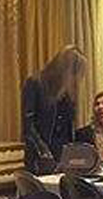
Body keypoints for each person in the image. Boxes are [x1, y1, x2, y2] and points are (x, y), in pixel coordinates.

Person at [21, 45, 86, 173]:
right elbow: (28, 125)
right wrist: (43, 150)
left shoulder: (66, 92)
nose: (75, 78)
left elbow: (69, 127)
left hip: (63, 153)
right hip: (42, 154)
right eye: (74, 72)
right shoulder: (35, 83)